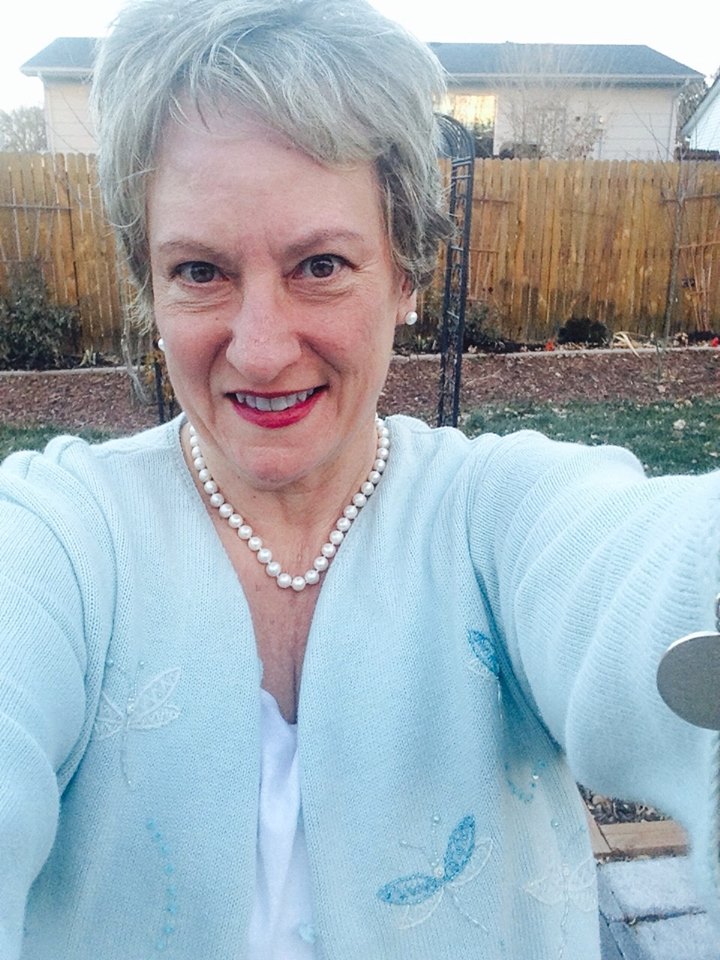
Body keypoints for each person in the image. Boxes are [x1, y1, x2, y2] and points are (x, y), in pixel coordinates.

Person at [1, 0, 718, 957]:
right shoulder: (60, 538)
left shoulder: (493, 517)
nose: (261, 350)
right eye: (201, 271)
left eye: (321, 265)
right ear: (151, 285)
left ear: (407, 275)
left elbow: (647, 579)